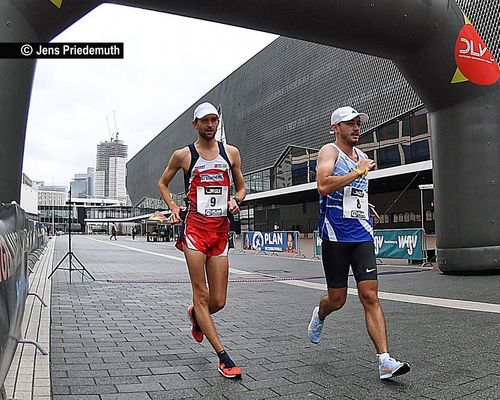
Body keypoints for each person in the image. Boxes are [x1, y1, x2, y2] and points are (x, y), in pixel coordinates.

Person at [307, 106, 410, 380]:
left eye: (358, 123)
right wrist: (358, 172)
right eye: (349, 124)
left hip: (362, 234)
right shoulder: (330, 152)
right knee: (337, 300)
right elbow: (323, 185)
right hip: (335, 237)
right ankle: (321, 312)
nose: (356, 128)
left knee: (370, 296)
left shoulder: (362, 156)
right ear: (335, 128)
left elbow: (353, 192)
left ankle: (385, 361)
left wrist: (364, 206)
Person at [158, 101, 246, 379]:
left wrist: (235, 200)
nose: (210, 125)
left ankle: (197, 316)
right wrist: (173, 207)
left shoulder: (230, 153)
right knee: (203, 295)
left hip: (220, 234)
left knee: (218, 301)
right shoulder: (183, 155)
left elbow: (241, 187)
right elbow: (163, 182)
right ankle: (224, 357)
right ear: (195, 124)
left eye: (214, 120)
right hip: (194, 231)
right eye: (204, 121)